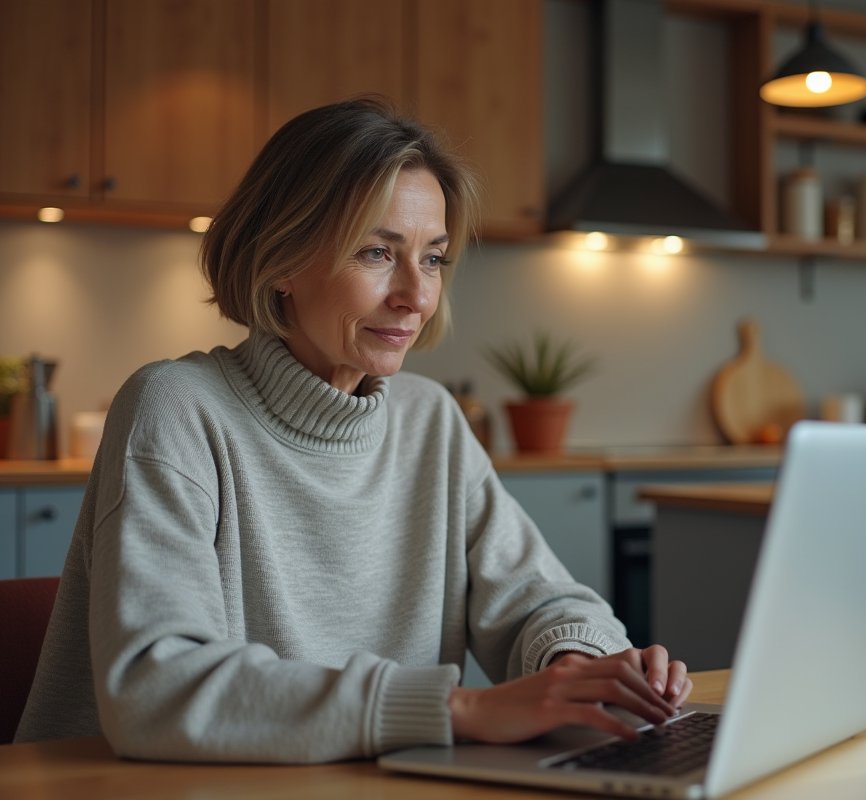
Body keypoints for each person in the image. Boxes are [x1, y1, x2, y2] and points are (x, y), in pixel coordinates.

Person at [15, 98, 691, 762]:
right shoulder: (176, 408)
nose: (416, 296)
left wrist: (580, 665)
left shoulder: (430, 420)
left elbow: (538, 599)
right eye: (376, 252)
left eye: (433, 258)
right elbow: (157, 688)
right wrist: (459, 709)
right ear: (281, 258)